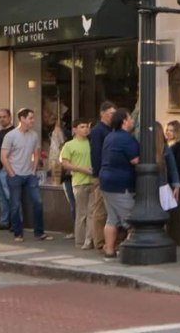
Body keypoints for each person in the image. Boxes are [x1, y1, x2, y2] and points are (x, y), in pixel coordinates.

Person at [2, 108, 51, 242]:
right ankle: (18, 233)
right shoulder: (10, 135)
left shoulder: (34, 135)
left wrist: (34, 170)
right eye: (30, 118)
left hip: (29, 174)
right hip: (15, 175)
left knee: (38, 202)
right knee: (15, 205)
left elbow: (36, 153)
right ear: (22, 119)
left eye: (33, 118)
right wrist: (11, 173)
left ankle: (39, 232)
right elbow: (3, 156)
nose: (32, 121)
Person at [99, 109, 139, 259]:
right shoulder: (126, 139)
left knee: (112, 218)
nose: (133, 121)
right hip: (121, 185)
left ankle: (109, 250)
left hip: (106, 182)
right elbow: (135, 160)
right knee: (132, 220)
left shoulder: (110, 136)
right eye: (130, 118)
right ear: (124, 121)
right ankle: (129, 251)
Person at [60, 119, 95, 247]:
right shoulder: (69, 145)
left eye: (86, 126)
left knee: (92, 212)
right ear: (74, 129)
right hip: (79, 182)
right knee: (82, 213)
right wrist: (82, 169)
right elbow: (65, 164)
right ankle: (80, 240)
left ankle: (89, 239)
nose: (85, 129)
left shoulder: (91, 143)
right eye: (82, 127)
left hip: (92, 181)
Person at [88, 102, 116, 251]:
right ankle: (99, 241)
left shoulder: (111, 129)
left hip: (107, 173)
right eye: (111, 113)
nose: (113, 116)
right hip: (100, 174)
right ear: (103, 113)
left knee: (107, 209)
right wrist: (98, 173)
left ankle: (106, 240)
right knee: (99, 209)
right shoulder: (98, 130)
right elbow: (96, 153)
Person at [165, 121, 180, 200]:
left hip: (173, 180)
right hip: (164, 179)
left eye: (171, 130)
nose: (168, 132)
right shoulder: (165, 143)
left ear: (177, 132)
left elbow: (178, 164)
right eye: (167, 130)